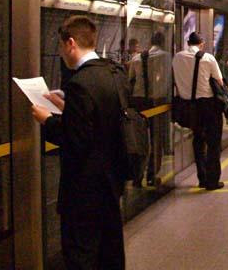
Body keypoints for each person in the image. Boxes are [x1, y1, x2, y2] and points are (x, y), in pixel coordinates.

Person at [31, 16, 127, 269]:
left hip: (84, 189)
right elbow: (100, 120)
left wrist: (47, 120)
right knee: (110, 252)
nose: (63, 54)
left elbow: (77, 139)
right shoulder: (114, 73)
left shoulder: (79, 82)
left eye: (63, 47)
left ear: (70, 43)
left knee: (81, 255)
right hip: (110, 181)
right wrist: (67, 107)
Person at [172, 31, 225, 190]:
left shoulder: (177, 57)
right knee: (213, 143)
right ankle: (212, 180)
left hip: (186, 105)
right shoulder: (207, 58)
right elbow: (220, 82)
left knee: (198, 140)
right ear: (201, 44)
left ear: (188, 42)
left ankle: (201, 177)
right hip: (207, 105)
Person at [128, 31, 171, 186]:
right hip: (157, 102)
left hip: (139, 101)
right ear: (163, 42)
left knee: (139, 141)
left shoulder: (136, 58)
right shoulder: (166, 57)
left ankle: (137, 177)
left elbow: (130, 80)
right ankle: (152, 175)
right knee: (156, 139)